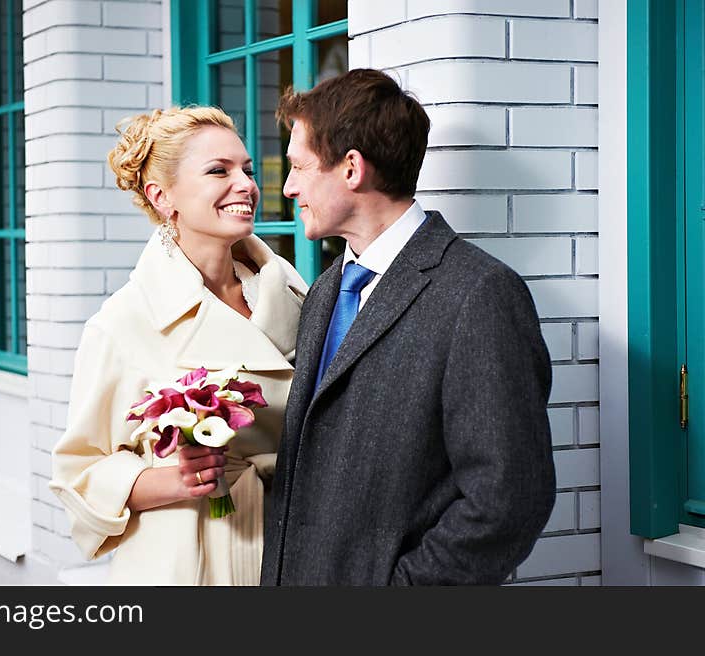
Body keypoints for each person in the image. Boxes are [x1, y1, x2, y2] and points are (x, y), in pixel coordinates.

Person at [260, 68, 556, 586]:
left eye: (299, 167)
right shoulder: (327, 290)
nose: (288, 188)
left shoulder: (479, 294)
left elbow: (509, 499)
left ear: (351, 168)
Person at [49, 106, 307, 585]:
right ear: (162, 196)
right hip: (191, 562)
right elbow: (79, 474)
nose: (246, 185)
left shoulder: (289, 287)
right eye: (218, 171)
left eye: (247, 170)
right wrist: (173, 480)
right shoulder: (123, 322)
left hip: (295, 544)